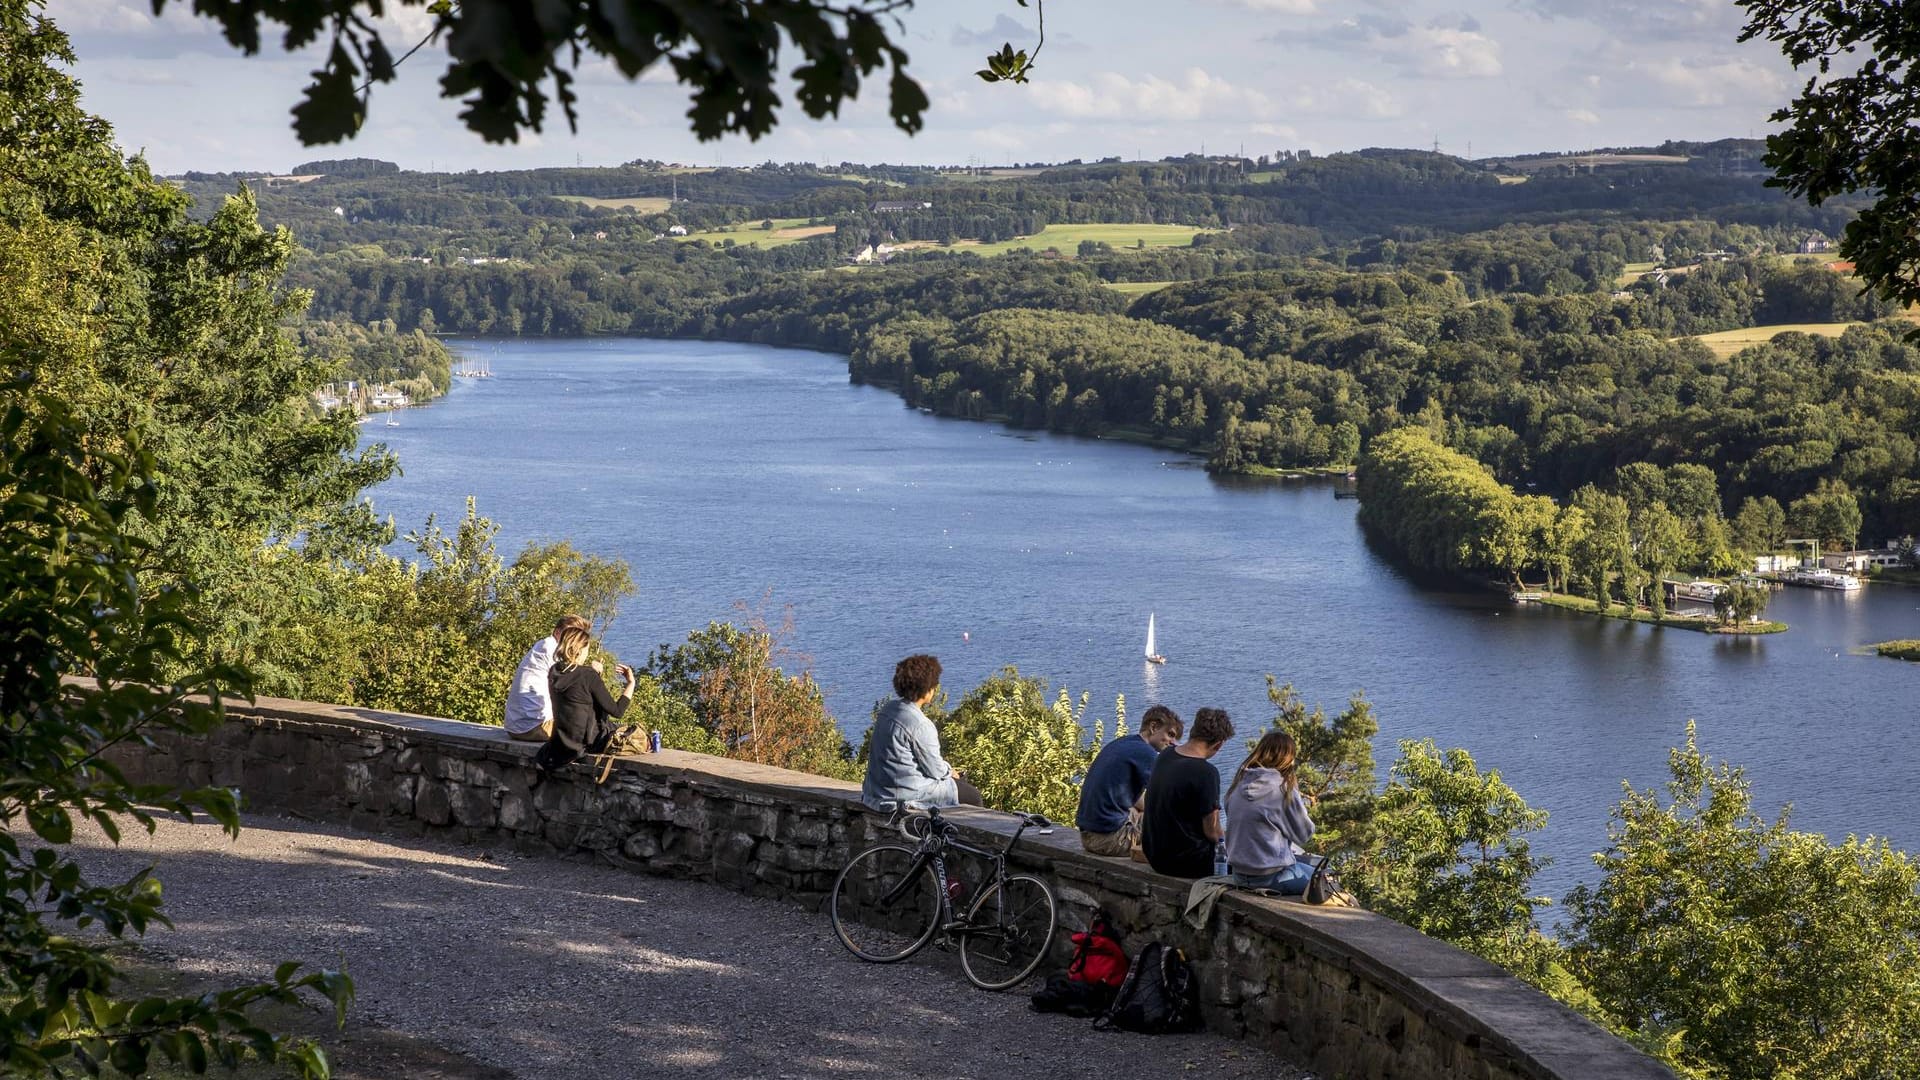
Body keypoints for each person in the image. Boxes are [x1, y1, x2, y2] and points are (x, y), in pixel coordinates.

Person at [861, 654, 983, 811]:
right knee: (973, 796)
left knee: (957, 784)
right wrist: (950, 771)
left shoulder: (888, 710)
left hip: (877, 792)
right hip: (905, 795)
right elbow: (935, 770)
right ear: (927, 690)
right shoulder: (921, 725)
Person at [1139, 706, 1234, 879]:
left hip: (1155, 855)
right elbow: (1212, 831)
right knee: (1255, 865)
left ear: (1193, 731)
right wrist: (1236, 841)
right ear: (1219, 744)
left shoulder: (1165, 755)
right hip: (1187, 861)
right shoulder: (1206, 772)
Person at [1076, 705, 1183, 856]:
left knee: (1139, 810)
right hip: (1110, 840)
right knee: (1177, 836)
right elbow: (1166, 801)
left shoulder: (1124, 743)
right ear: (1153, 727)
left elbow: (1139, 800)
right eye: (1170, 734)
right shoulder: (1146, 754)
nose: (1173, 742)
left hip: (1088, 834)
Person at [534, 624, 641, 771]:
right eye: (587, 649)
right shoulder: (588, 675)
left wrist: (594, 675)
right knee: (639, 736)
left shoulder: (554, 672)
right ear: (580, 650)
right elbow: (617, 711)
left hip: (560, 745)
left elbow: (579, 696)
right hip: (588, 742)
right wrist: (631, 683)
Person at [1223, 730, 1317, 895]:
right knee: (1325, 878)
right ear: (1287, 759)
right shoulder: (1282, 789)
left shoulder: (1236, 786)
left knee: (1308, 868)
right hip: (1272, 877)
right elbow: (1304, 834)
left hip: (1238, 875)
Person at [504, 614, 592, 742]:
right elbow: (574, 686)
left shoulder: (542, 645)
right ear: (557, 632)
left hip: (516, 727)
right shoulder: (551, 650)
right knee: (589, 727)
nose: (572, 640)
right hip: (535, 727)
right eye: (570, 634)